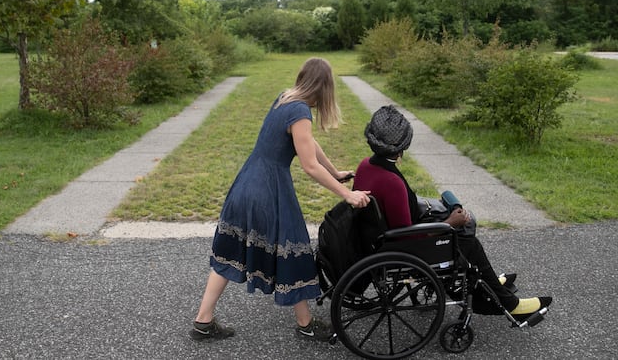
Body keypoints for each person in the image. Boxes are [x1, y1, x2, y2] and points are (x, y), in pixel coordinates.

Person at [189, 57, 371, 342]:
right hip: (268, 190)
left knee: (231, 252)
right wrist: (347, 194)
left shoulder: (286, 98)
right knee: (294, 249)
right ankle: (305, 324)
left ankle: (203, 321)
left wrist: (335, 172)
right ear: (324, 88)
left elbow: (308, 143)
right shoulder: (300, 110)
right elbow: (309, 166)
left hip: (247, 182)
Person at [352, 105, 552, 319]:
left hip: (375, 240)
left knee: (463, 234)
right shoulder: (392, 182)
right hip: (402, 247)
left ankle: (488, 281)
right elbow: (408, 237)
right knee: (469, 242)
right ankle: (509, 303)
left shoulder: (366, 165)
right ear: (403, 144)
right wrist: (449, 223)